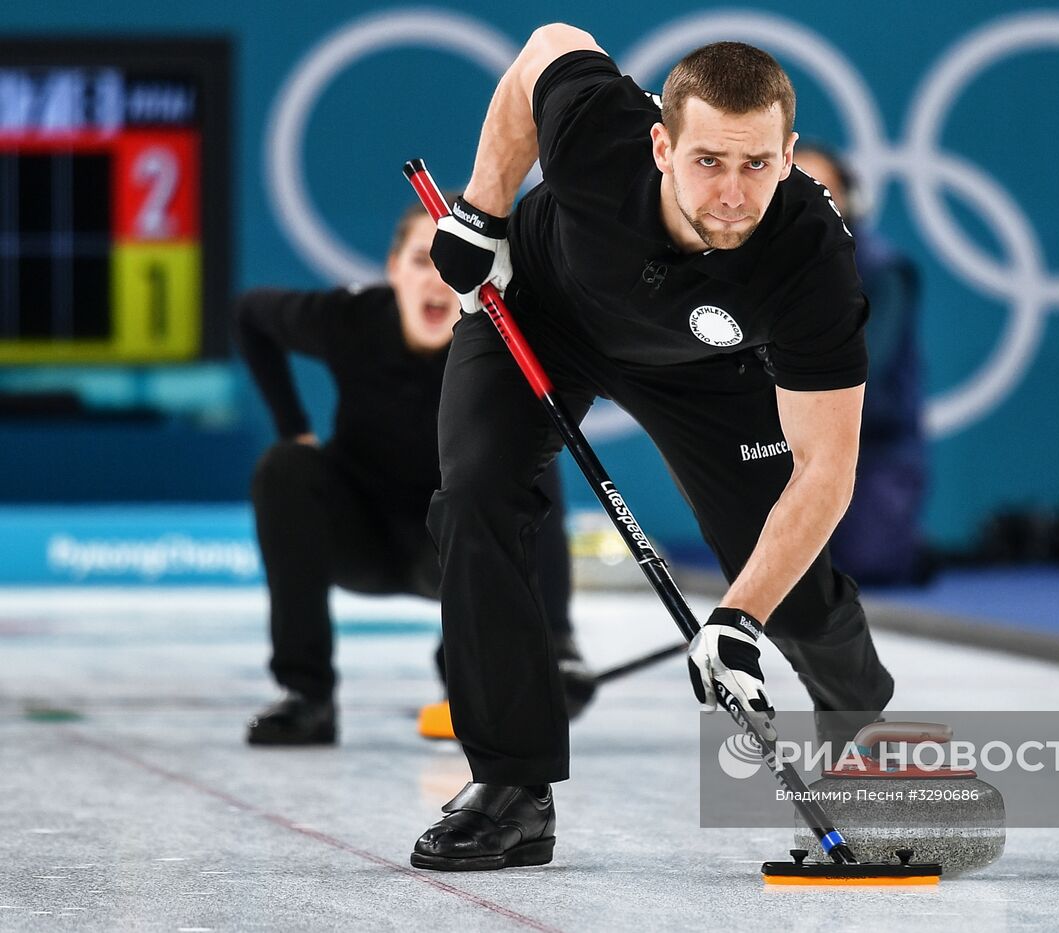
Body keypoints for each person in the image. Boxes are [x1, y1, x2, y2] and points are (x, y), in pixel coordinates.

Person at [412, 25, 893, 871]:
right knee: (477, 495)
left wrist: (738, 620)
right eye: (709, 161)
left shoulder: (810, 257)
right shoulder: (601, 137)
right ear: (662, 145)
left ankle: (857, 727)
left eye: (757, 165)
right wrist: (480, 212)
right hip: (542, 313)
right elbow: (543, 50)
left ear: (790, 156)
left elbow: (828, 465)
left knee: (787, 579)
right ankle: (512, 787)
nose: (734, 193)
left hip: (704, 371)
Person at [236, 206, 586, 746]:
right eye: (423, 261)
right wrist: (292, 427)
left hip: (451, 549)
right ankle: (306, 696)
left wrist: (557, 646)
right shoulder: (350, 318)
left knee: (530, 460)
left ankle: (468, 680)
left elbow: (544, 502)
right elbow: (251, 315)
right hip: (359, 535)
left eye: (454, 266)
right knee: (285, 467)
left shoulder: (503, 347)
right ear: (393, 268)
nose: (438, 279)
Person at [792, 144, 931, 585]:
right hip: (790, 449)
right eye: (792, 188)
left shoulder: (880, 269)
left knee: (861, 568)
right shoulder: (766, 266)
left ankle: (908, 545)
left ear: (850, 200)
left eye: (821, 190)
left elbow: (863, 373)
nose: (806, 202)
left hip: (871, 448)